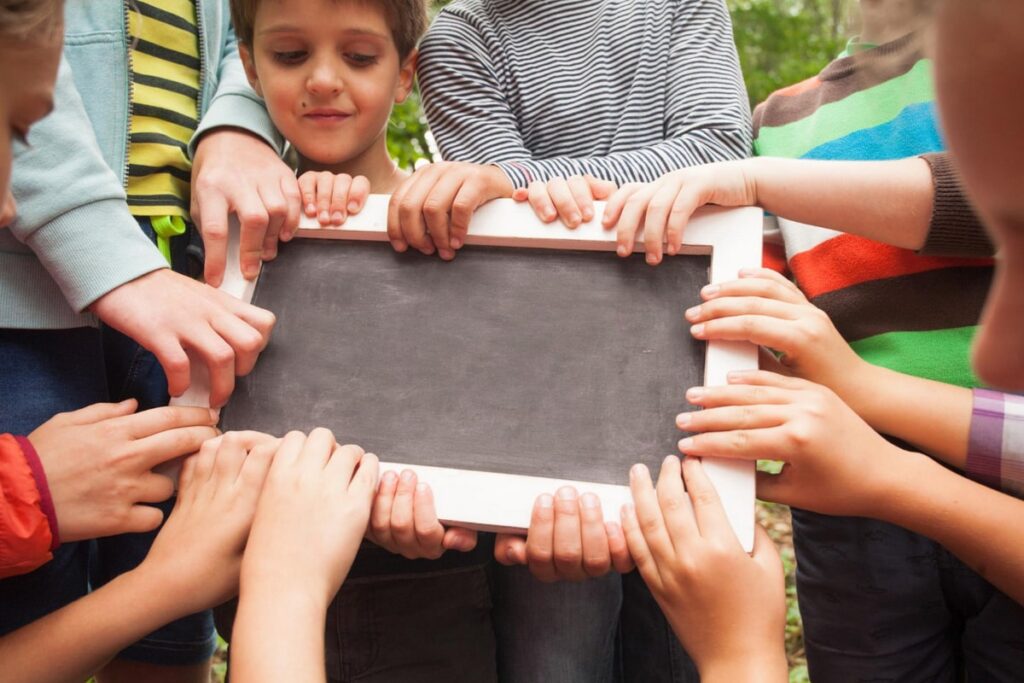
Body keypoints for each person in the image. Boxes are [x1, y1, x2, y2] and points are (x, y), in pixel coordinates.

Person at [618, 0, 1024, 679]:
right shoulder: (777, 119)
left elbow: (986, 199)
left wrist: (756, 179)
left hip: (1003, 459)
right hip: (844, 485)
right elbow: (755, 286)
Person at [384, 1, 753, 680]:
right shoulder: (461, 38)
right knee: (558, 656)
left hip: (688, 389)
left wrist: (522, 179)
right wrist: (520, 192)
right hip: (543, 414)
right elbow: (521, 230)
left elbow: (718, 153)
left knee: (684, 655)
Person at [0, 0, 294, 678]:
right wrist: (30, 497)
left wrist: (239, 121)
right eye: (18, 131)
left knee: (167, 638)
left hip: (185, 292)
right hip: (43, 303)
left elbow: (247, 42)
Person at [218, 1, 499, 679]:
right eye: (290, 56)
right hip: (264, 589)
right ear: (250, 68)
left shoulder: (464, 217)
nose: (322, 79)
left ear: (406, 74)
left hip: (438, 593)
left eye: (359, 56)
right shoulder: (232, 228)